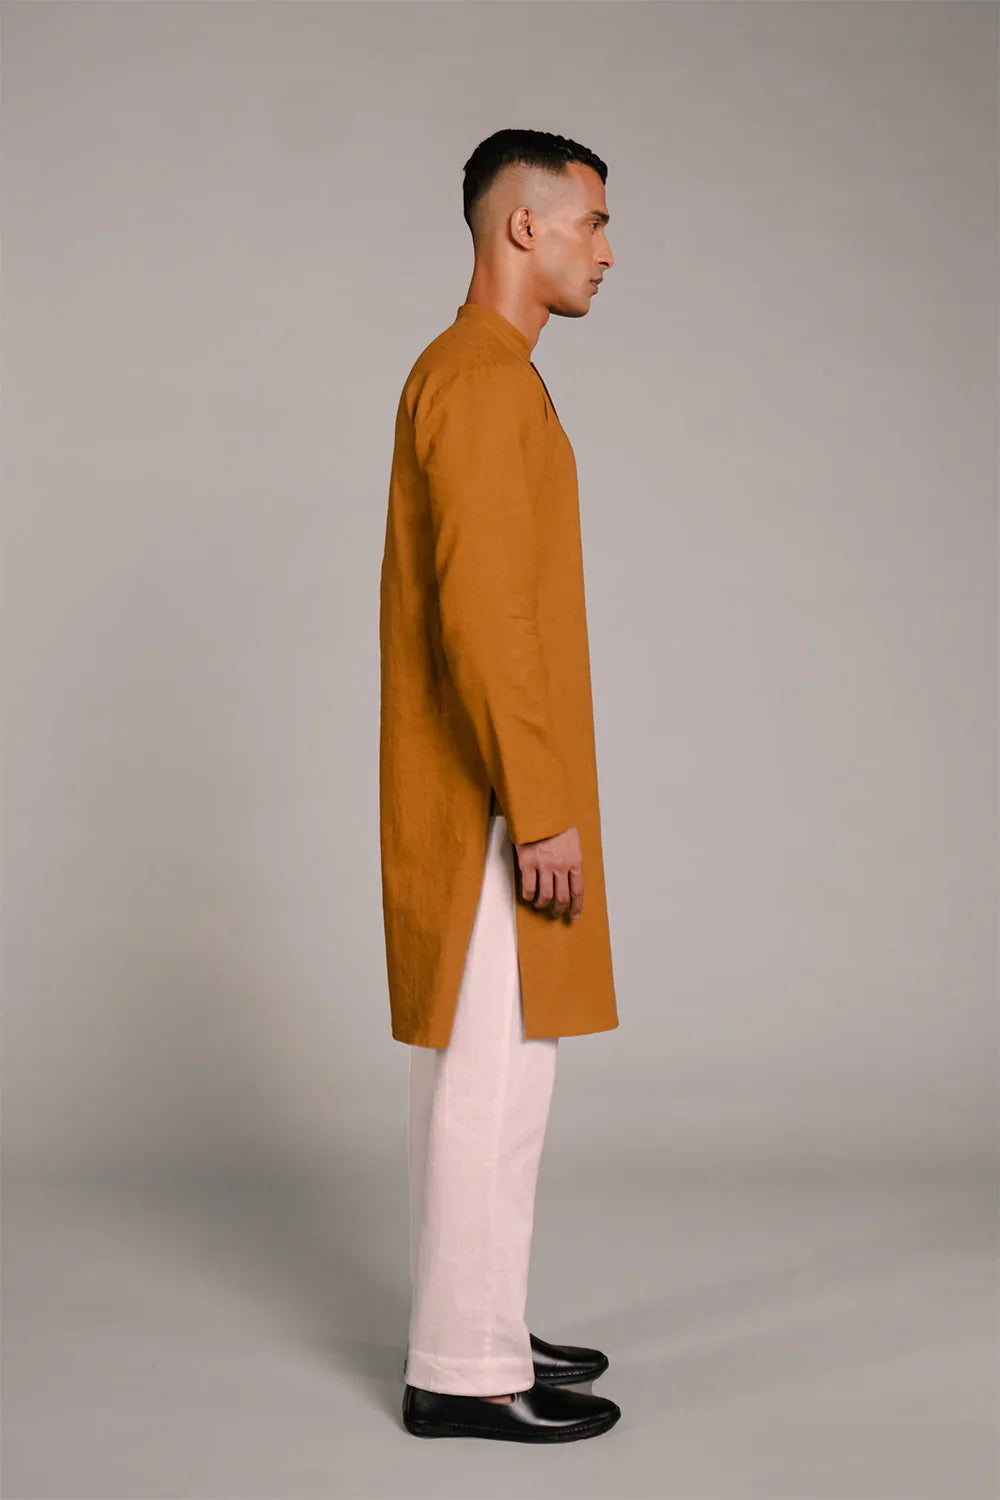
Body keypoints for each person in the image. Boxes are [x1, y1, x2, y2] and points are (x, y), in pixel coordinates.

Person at [378, 128, 620, 1443]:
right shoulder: (478, 381)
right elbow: (484, 616)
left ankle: (483, 1322)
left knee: (496, 1078)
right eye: (592, 221)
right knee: (489, 1083)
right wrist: (542, 806)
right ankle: (461, 1371)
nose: (607, 250)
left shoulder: (483, 373)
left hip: (484, 785)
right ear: (523, 226)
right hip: (486, 793)